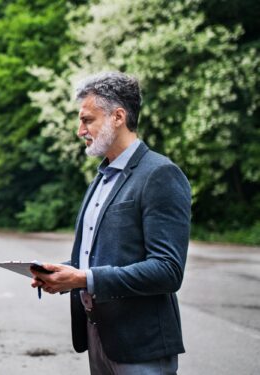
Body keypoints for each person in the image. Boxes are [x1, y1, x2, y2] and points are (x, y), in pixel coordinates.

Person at [31, 71, 191, 374]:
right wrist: (60, 274)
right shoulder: (102, 176)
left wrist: (83, 279)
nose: (80, 130)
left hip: (140, 343)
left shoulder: (160, 174)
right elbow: (102, 258)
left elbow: (168, 270)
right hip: (98, 335)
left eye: (87, 119)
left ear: (118, 116)